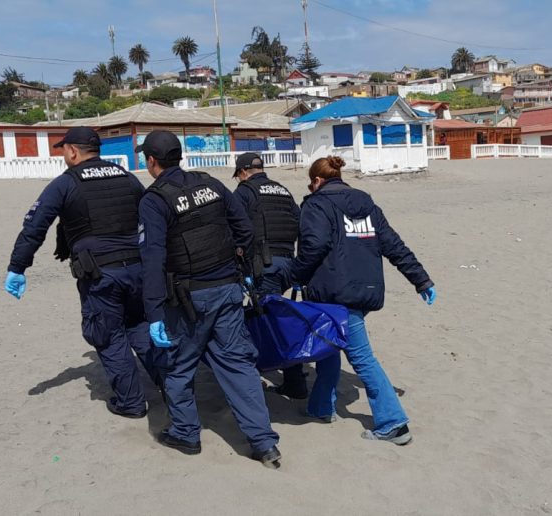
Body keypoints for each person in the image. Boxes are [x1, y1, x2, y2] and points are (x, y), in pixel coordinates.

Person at [260, 156, 436, 446]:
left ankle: (394, 422)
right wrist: (421, 279)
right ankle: (321, 407)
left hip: (335, 294)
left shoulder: (317, 204)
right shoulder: (366, 203)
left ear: (317, 181)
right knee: (328, 346)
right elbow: (393, 244)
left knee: (361, 357)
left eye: (310, 183)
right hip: (363, 289)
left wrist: (291, 276)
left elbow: (313, 247)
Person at [138, 130, 281, 466]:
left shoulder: (154, 200)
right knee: (238, 365)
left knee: (178, 366)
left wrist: (154, 312)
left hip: (189, 299)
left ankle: (186, 434)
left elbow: (153, 258)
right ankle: (263, 443)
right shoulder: (212, 184)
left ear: (151, 161)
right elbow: (244, 230)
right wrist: (238, 264)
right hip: (229, 289)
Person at [4, 126, 157, 419]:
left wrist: (17, 268)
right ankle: (169, 385)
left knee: (108, 335)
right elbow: (152, 215)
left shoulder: (65, 183)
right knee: (139, 326)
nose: (63, 154)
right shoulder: (126, 177)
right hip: (138, 269)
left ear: (73, 151)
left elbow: (35, 227)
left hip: (100, 274)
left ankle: (131, 403)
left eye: (64, 149)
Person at [231, 152, 307, 400]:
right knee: (278, 318)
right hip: (288, 263)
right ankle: (292, 379)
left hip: (265, 265)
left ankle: (292, 382)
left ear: (242, 172)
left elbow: (235, 229)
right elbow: (300, 224)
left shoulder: (244, 192)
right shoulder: (282, 190)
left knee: (271, 322)